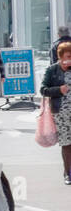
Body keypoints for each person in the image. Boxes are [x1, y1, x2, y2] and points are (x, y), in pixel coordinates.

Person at [39, 42, 71, 186]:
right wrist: (59, 90)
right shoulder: (52, 70)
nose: (69, 60)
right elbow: (43, 90)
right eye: (68, 57)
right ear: (60, 56)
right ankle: (68, 173)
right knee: (67, 144)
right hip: (61, 113)